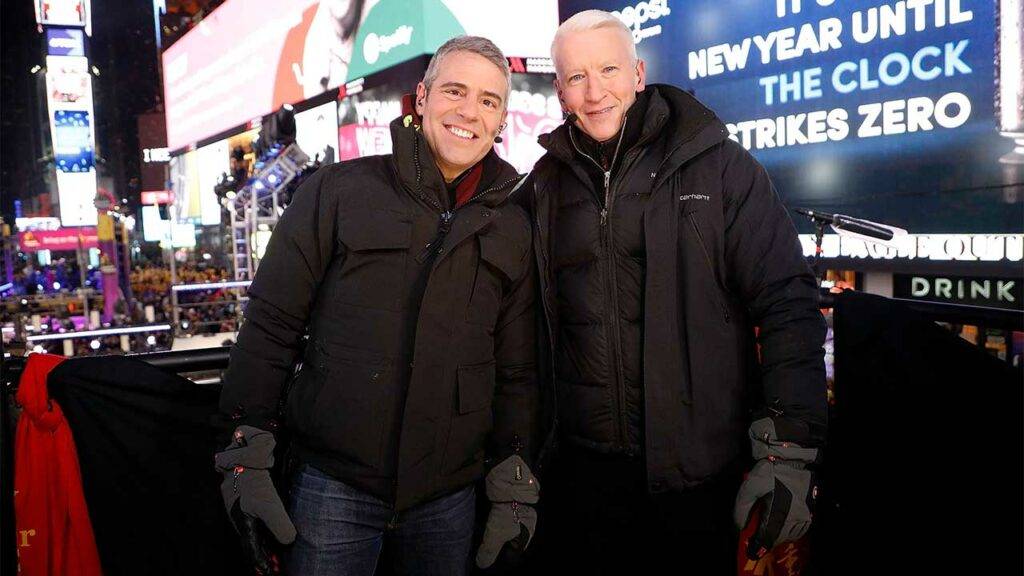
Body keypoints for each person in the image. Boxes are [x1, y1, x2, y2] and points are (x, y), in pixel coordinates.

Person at [216, 36, 541, 576]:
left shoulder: (513, 223)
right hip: (332, 489)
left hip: (448, 499)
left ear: (502, 117)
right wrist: (244, 450)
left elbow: (516, 370)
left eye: (488, 100)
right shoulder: (336, 192)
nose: (469, 112)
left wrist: (514, 480)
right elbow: (271, 327)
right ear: (421, 97)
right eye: (455, 91)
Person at [520, 10, 828, 574]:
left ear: (638, 73)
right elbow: (518, 331)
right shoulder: (542, 184)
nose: (595, 92)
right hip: (580, 478)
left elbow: (786, 299)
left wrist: (789, 448)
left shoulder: (718, 167)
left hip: (694, 474)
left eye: (608, 69)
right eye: (576, 78)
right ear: (559, 91)